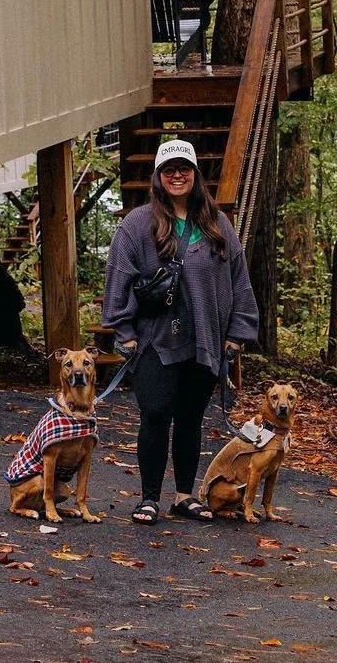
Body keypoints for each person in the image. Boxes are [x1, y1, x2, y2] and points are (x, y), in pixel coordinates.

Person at [102, 138, 259, 524]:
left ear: (195, 175)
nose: (177, 175)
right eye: (169, 170)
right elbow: (117, 277)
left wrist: (236, 334)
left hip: (204, 339)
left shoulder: (217, 224)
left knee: (190, 418)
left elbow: (240, 282)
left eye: (184, 169)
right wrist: (124, 330)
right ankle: (149, 498)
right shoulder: (137, 224)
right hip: (155, 340)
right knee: (155, 414)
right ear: (158, 176)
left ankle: (185, 496)